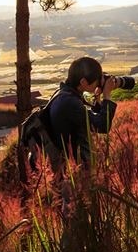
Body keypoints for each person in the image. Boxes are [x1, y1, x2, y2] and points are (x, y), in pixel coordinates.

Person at [43, 56, 119, 212]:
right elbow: (102, 126)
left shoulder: (63, 94)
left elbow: (86, 120)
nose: (99, 83)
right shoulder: (70, 102)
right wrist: (107, 96)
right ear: (84, 82)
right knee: (76, 214)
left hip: (67, 170)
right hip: (73, 174)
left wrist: (97, 99)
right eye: (96, 80)